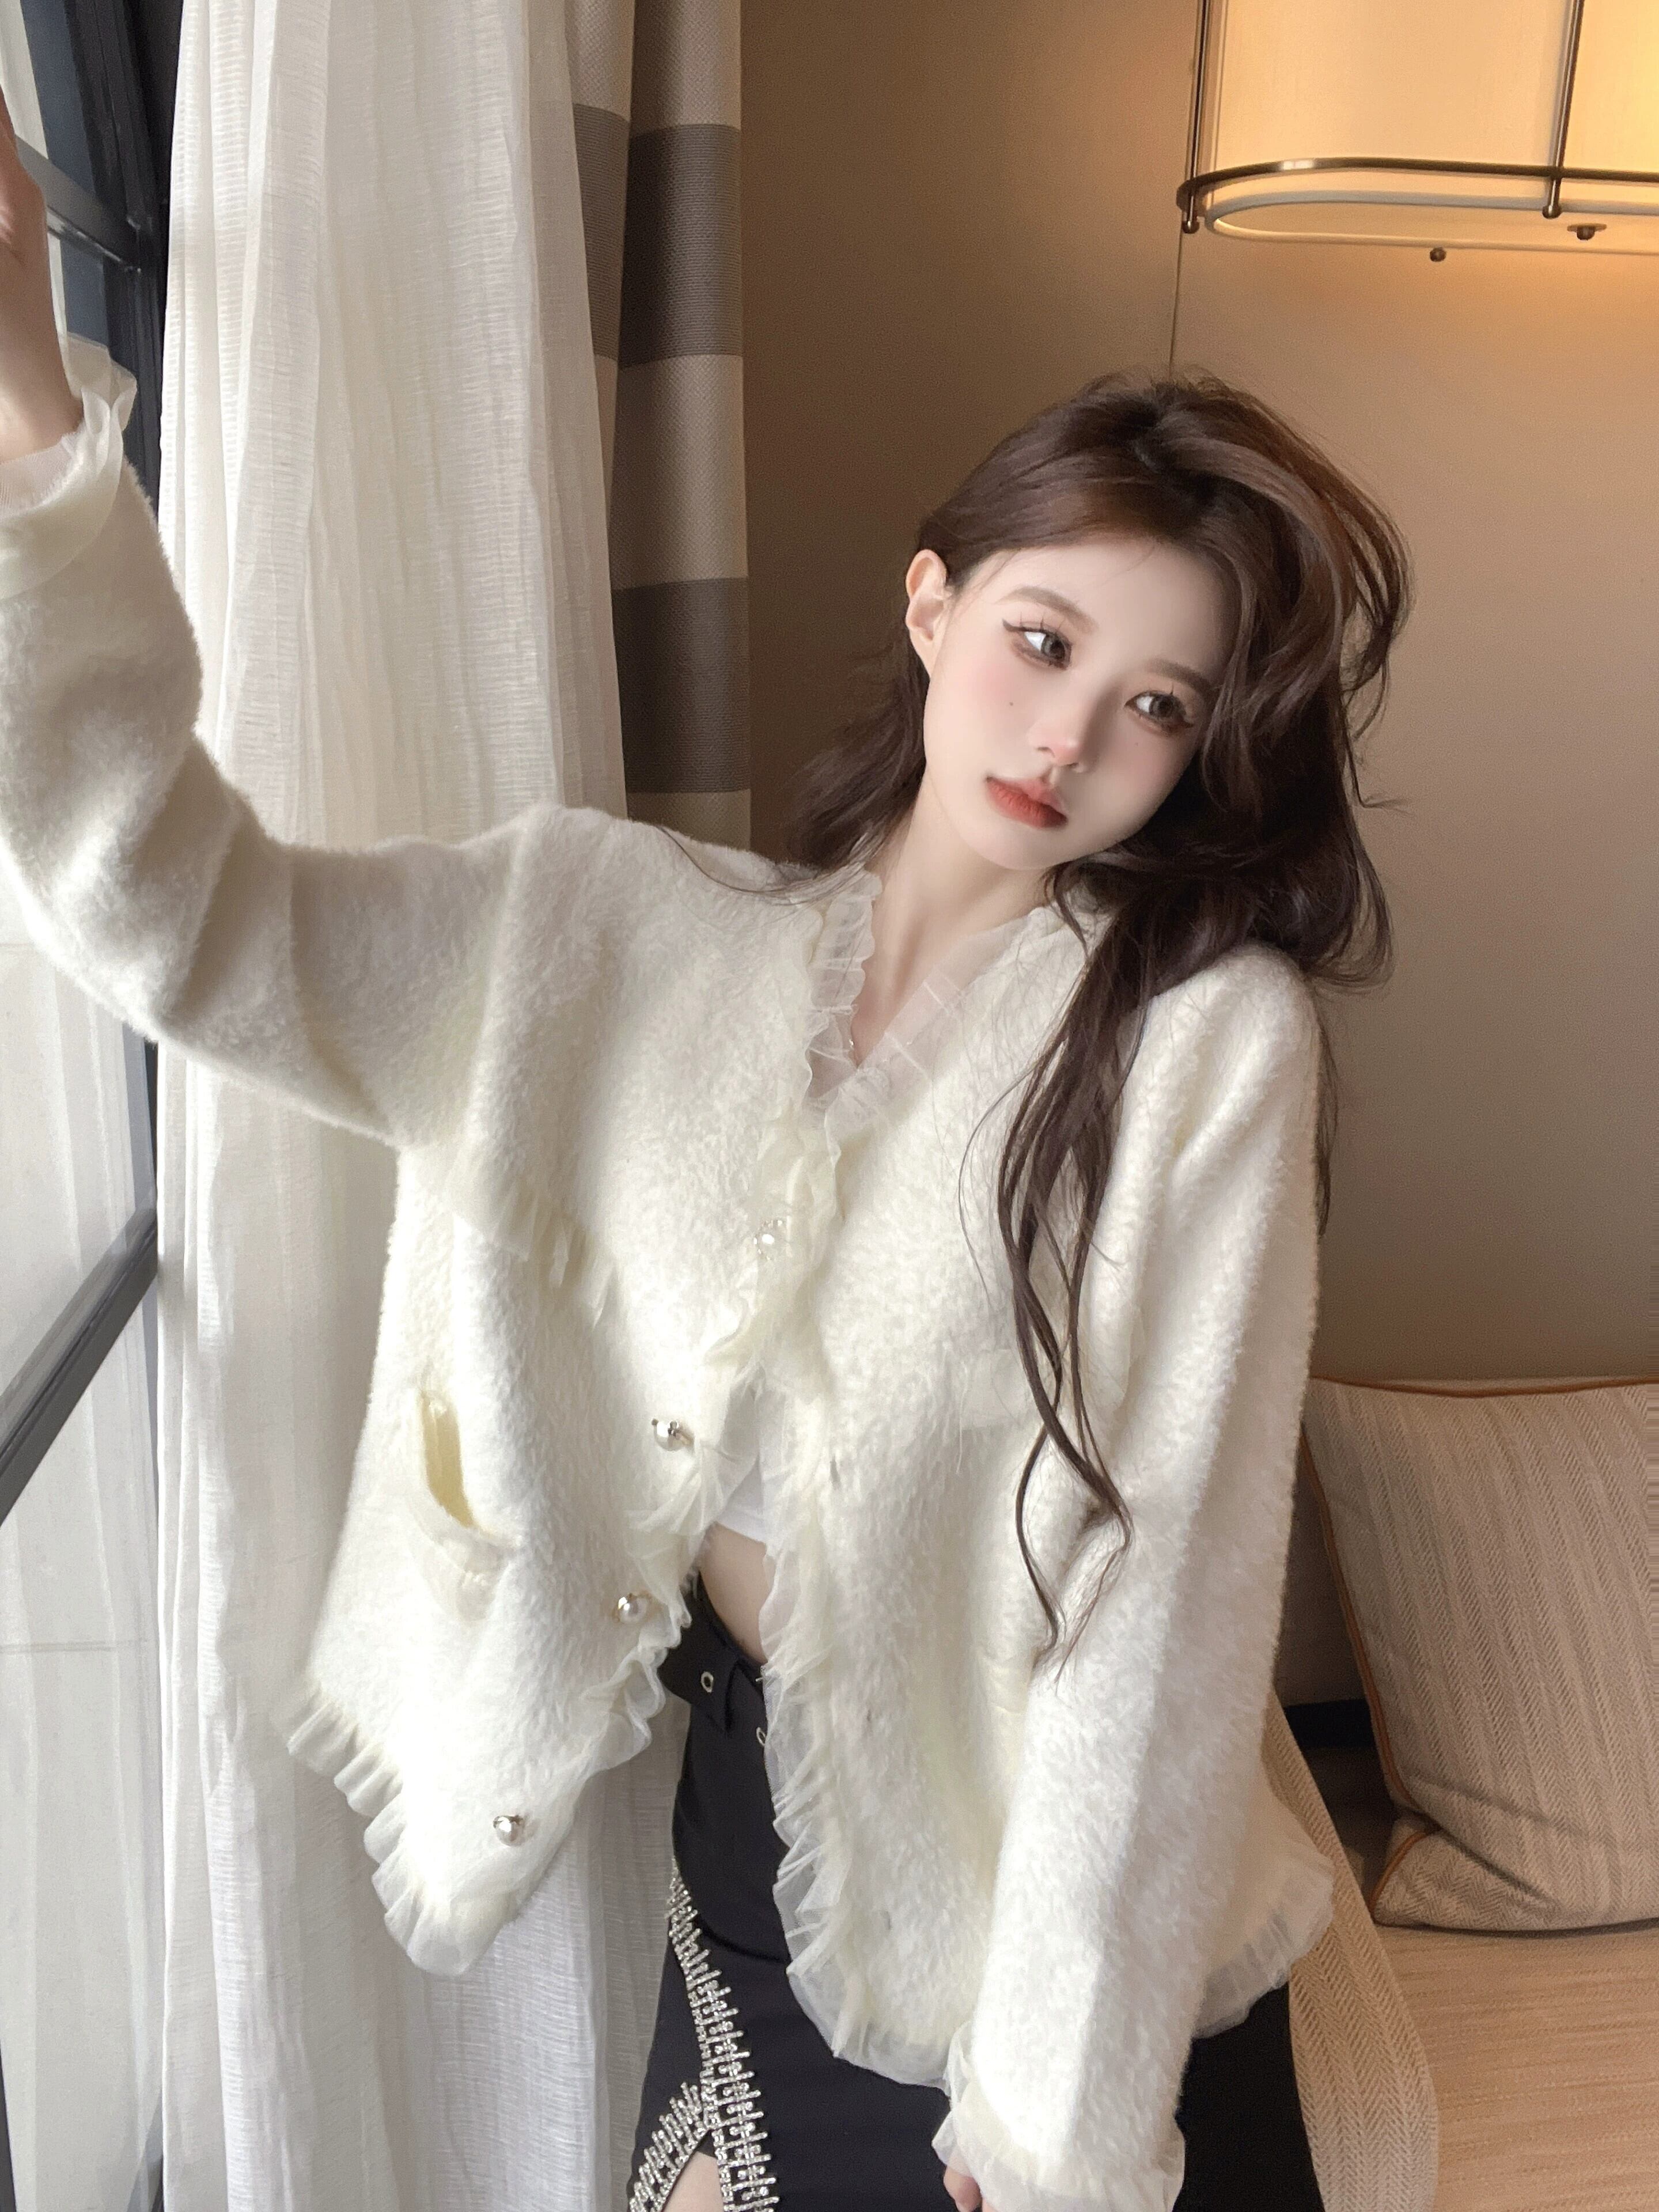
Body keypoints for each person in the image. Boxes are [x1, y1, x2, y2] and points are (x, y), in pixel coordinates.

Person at [0, 84, 1407, 2212]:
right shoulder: (601, 938)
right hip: (749, 1892)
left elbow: (1167, 1613)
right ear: (934, 606)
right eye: (1044, 644)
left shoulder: (1203, 1042)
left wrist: (1055, 2133)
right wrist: (35, 423)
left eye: (1156, 706)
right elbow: (173, 920)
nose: (1068, 736)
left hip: (1074, 1986)